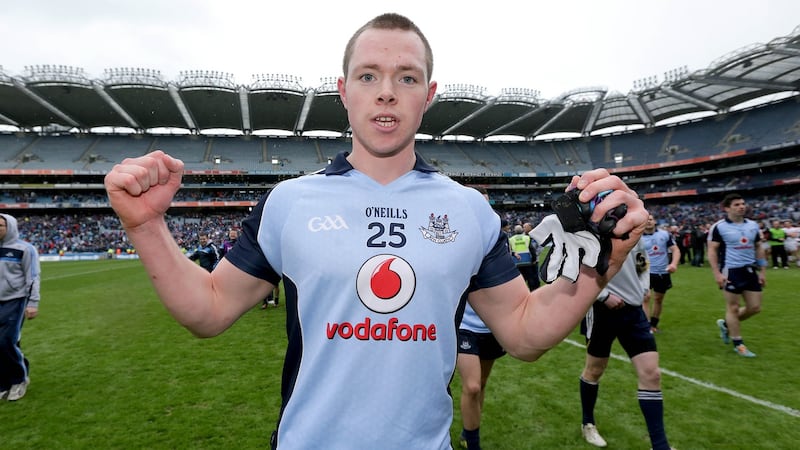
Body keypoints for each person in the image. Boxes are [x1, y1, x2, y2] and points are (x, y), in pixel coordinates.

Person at [103, 13, 647, 449]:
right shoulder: (290, 202)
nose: (386, 92)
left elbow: (524, 334)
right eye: (369, 76)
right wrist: (147, 225)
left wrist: (607, 260)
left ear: (428, 94)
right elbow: (209, 309)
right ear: (343, 90)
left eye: (406, 78)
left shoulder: (469, 211)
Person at [578, 239, 674, 450]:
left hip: (633, 311)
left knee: (652, 374)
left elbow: (642, 262)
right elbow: (574, 266)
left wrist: (642, 288)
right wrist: (603, 296)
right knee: (594, 370)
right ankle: (588, 423)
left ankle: (660, 445)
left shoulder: (634, 231)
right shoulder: (587, 230)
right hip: (601, 311)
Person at [708, 193, 765, 358]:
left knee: (754, 308)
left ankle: (726, 325)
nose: (742, 206)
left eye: (743, 204)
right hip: (730, 271)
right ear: (727, 208)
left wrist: (762, 271)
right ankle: (738, 344)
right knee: (732, 308)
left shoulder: (753, 225)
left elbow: (759, 248)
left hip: (750, 270)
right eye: (737, 204)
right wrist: (717, 273)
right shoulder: (719, 227)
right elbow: (712, 250)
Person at [0, 213, 41, 401]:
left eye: (0, 225)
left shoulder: (25, 249)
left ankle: (19, 379)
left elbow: (32, 277)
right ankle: (4, 382)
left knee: (6, 341)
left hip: (15, 301)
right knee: (6, 343)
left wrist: (32, 303)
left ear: (9, 226)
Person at [640, 215, 679, 333]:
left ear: (655, 221)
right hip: (645, 272)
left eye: (650, 219)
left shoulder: (665, 234)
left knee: (658, 299)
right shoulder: (637, 236)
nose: (648, 222)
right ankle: (646, 327)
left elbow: (675, 250)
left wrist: (674, 264)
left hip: (662, 272)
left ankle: (654, 324)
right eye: (645, 220)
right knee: (646, 298)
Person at [508, 224, 539, 290]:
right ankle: (532, 291)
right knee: (530, 278)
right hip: (527, 261)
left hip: (517, 262)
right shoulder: (526, 238)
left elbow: (510, 251)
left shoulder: (511, 239)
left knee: (520, 279)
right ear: (522, 230)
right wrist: (534, 259)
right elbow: (532, 249)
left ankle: (521, 292)